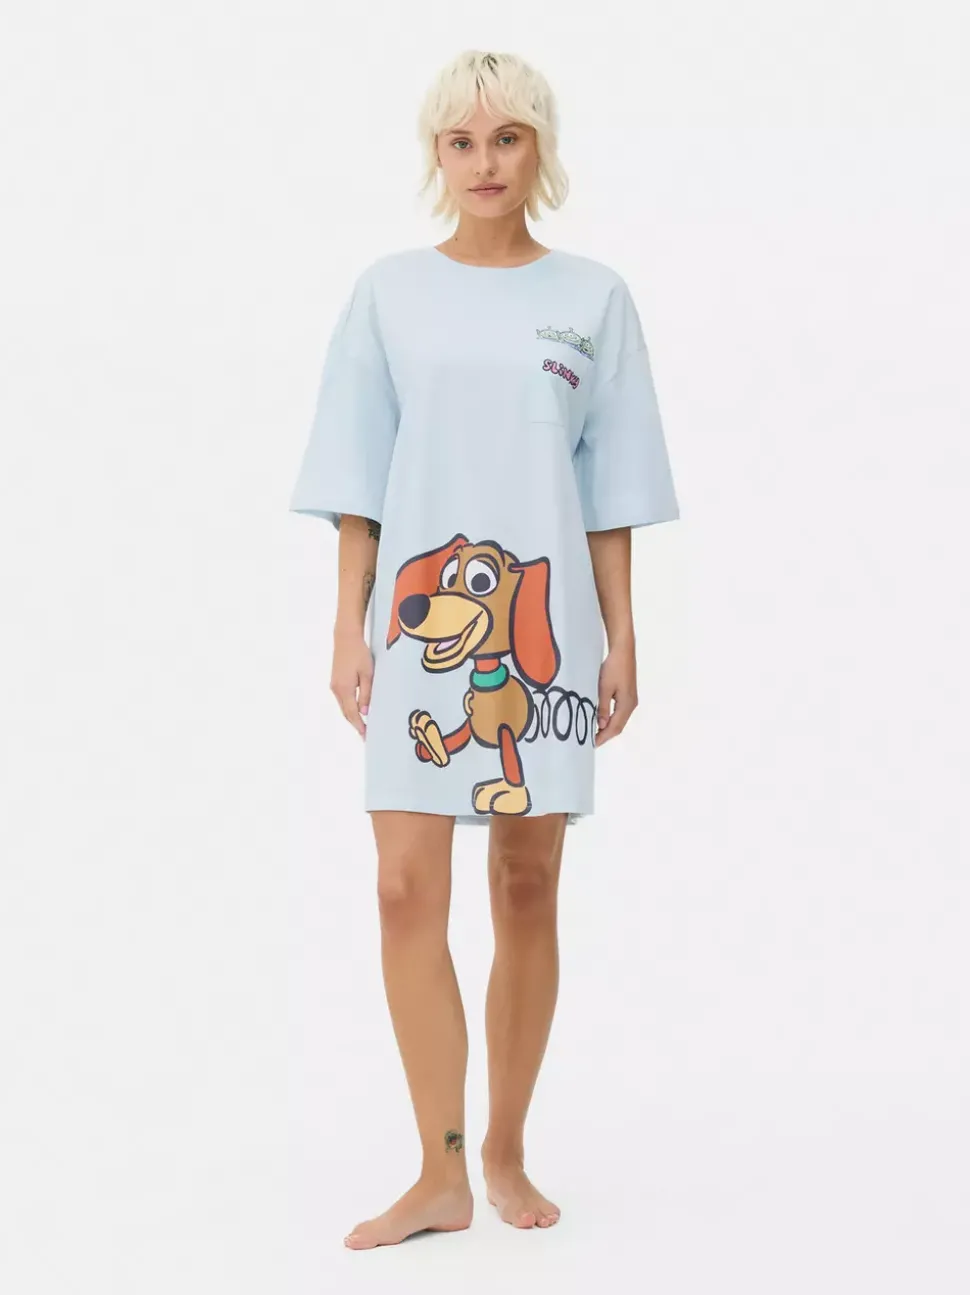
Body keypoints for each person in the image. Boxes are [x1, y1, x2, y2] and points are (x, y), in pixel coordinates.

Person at [289, 49, 680, 1250]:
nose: (484, 162)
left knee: (525, 883)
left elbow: (610, 490)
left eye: (505, 137)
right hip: (414, 635)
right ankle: (439, 1169)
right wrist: (348, 625)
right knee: (404, 885)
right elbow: (357, 479)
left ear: (539, 147)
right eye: (460, 142)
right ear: (435, 155)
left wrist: (622, 637)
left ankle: (505, 1147)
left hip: (542, 638)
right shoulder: (389, 294)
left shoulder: (593, 298)